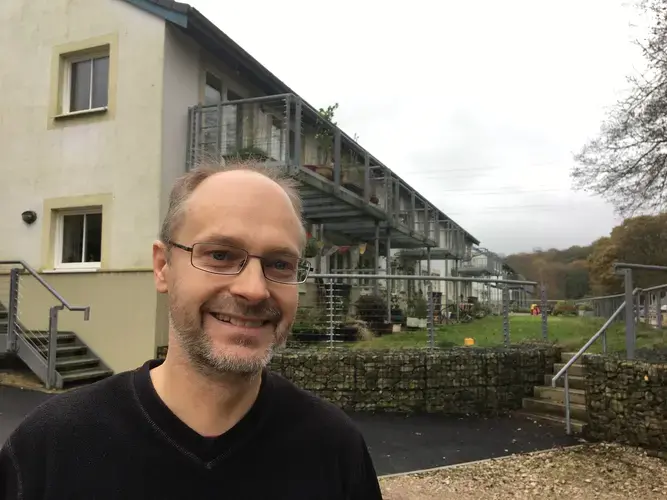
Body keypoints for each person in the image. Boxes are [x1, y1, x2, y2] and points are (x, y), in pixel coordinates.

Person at [0, 161, 383, 499]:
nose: (253, 289)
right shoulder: (52, 448)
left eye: (280, 263)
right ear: (163, 266)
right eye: (220, 255)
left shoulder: (333, 449)